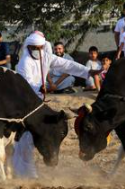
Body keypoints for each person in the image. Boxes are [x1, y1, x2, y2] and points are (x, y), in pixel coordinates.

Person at [12, 32, 98, 178]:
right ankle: (28, 174)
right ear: (29, 47)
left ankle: (27, 172)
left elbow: (67, 65)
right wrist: (39, 87)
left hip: (39, 103)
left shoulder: (45, 57)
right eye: (35, 48)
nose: (38, 50)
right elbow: (25, 85)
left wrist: (88, 71)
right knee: (25, 141)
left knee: (30, 140)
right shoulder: (24, 62)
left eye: (41, 47)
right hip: (26, 103)